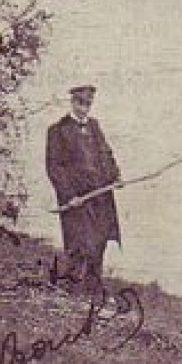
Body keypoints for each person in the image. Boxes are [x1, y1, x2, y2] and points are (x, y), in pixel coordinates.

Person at [45, 84, 122, 296]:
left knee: (100, 239)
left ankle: (94, 286)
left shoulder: (95, 126)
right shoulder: (58, 130)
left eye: (88, 104)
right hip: (78, 199)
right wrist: (70, 196)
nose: (84, 108)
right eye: (80, 103)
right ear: (72, 102)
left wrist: (116, 176)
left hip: (101, 194)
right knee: (79, 241)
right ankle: (74, 287)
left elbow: (106, 153)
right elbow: (54, 167)